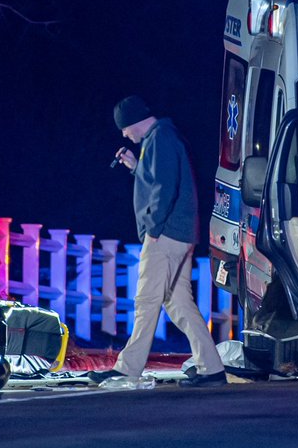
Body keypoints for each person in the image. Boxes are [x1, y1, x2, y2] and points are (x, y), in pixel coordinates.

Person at [88, 96, 227, 388]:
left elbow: (165, 187)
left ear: (134, 122)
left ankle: (128, 368)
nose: (125, 135)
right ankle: (212, 367)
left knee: (146, 300)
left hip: (166, 234)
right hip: (180, 233)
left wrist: (153, 227)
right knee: (179, 304)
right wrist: (136, 167)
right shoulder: (163, 137)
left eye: (125, 129)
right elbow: (159, 178)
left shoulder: (160, 137)